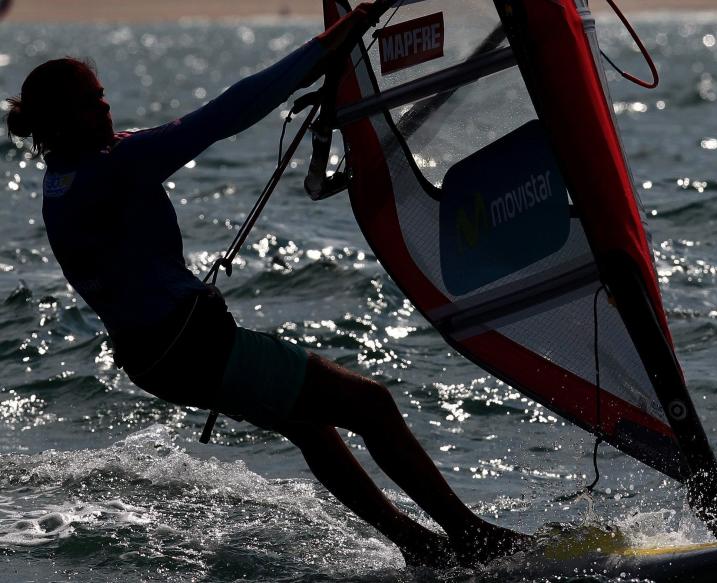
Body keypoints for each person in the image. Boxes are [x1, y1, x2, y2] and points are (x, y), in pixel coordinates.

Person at [4, 2, 529, 568]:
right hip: (194, 350)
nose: (104, 105)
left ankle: (421, 546)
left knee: (311, 426)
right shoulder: (113, 167)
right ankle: (472, 540)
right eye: (90, 101)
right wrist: (324, 50)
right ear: (60, 120)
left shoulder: (67, 176)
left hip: (158, 359)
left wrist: (322, 74)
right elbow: (224, 115)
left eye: (102, 93)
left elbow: (160, 143)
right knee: (371, 405)